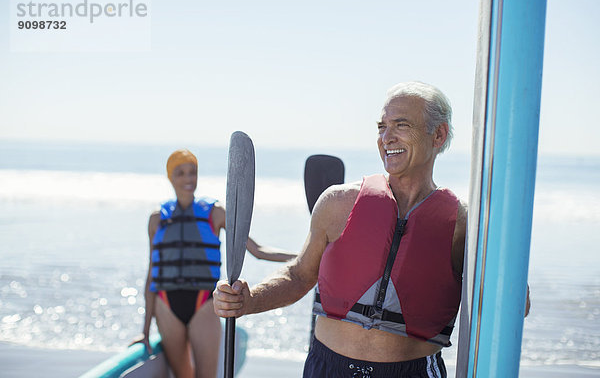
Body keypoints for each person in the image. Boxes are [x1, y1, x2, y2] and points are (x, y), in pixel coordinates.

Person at [213, 81, 530, 378]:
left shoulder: (463, 224)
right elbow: (298, 276)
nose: (386, 137)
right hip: (326, 367)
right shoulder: (338, 202)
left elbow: (513, 305)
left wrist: (507, 266)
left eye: (400, 125)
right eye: (382, 127)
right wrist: (248, 301)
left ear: (439, 135)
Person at [132, 149, 296, 378]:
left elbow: (257, 250)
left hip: (203, 303)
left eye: (193, 172)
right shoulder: (156, 218)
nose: (188, 179)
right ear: (171, 177)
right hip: (165, 304)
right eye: (181, 173)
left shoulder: (215, 212)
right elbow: (152, 274)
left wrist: (304, 258)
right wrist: (145, 331)